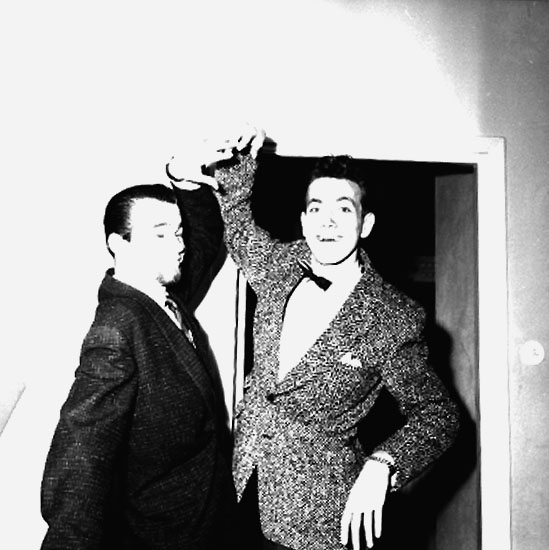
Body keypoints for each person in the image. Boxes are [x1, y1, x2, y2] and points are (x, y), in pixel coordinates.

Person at [168, 126, 460, 550]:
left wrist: (383, 464)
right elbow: (238, 224)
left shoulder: (393, 317)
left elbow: (438, 414)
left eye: (344, 209)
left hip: (318, 519)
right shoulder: (281, 266)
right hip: (237, 489)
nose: (328, 221)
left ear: (365, 224)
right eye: (316, 208)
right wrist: (235, 162)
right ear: (304, 221)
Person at [40, 177, 237, 550]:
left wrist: (182, 177)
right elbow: (81, 452)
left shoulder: (163, 298)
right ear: (119, 244)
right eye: (160, 234)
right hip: (165, 536)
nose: (178, 245)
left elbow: (207, 237)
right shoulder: (117, 327)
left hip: (208, 518)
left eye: (178, 233)